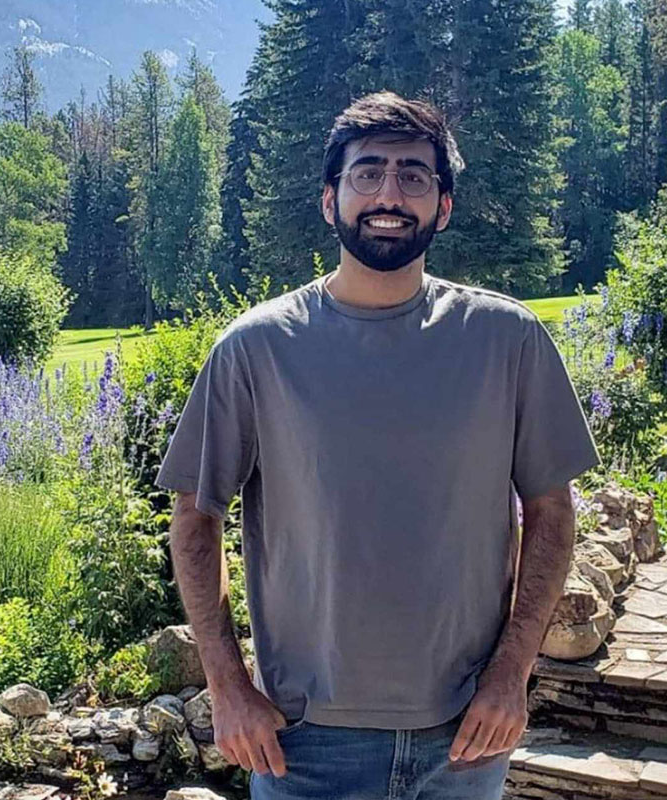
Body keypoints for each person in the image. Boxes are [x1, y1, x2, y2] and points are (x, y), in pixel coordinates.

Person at [154, 90, 601, 800]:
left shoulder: (507, 342)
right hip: (302, 745)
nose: (389, 193)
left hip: (465, 738)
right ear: (330, 201)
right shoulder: (256, 350)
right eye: (367, 172)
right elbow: (194, 517)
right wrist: (228, 686)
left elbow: (551, 510)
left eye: (414, 175)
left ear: (442, 206)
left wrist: (513, 674)